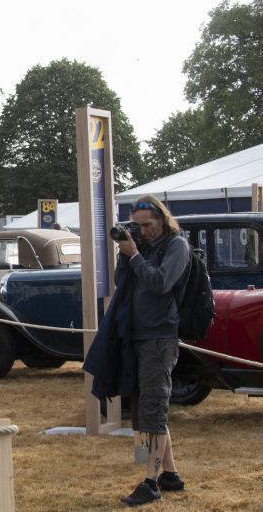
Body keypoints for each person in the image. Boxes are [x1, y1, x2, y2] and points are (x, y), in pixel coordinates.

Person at [116, 196, 190, 506]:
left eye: (147, 225)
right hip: (138, 336)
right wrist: (126, 255)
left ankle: (151, 483)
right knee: (146, 406)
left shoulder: (176, 246)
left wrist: (134, 256)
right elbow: (122, 282)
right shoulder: (142, 247)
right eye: (138, 226)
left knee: (154, 409)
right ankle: (170, 475)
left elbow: (160, 283)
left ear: (162, 218)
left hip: (159, 338)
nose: (143, 231)